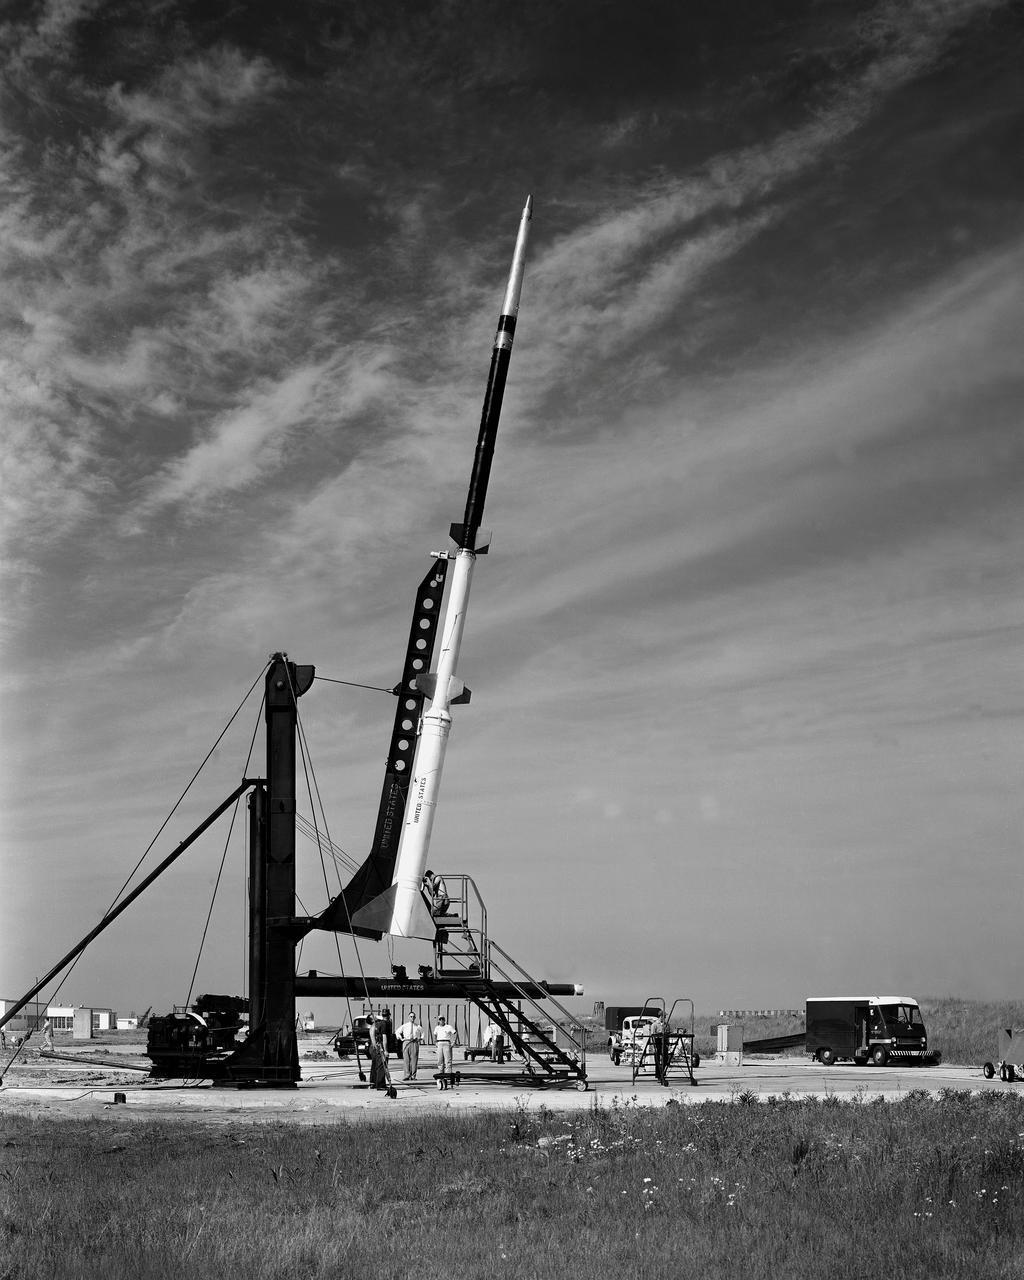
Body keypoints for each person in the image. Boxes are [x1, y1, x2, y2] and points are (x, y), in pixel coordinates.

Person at [397, 1012, 424, 1080]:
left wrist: (420, 1038)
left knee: (414, 1060)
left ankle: (413, 1075)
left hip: (414, 1042)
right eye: (411, 1016)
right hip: (407, 1042)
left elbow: (423, 1032)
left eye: (413, 1017)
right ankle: (406, 1075)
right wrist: (401, 1038)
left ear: (415, 1018)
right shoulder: (405, 1025)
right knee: (406, 1060)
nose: (412, 1018)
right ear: (408, 1017)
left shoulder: (417, 1026)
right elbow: (397, 1032)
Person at [365, 1014, 388, 1090]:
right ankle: (380, 1084)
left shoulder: (373, 1026)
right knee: (381, 1065)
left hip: (373, 1048)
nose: (375, 1016)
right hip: (377, 1047)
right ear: (372, 1020)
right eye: (372, 1016)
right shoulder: (375, 1026)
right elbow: (374, 1038)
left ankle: (373, 1082)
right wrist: (384, 1050)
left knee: (375, 1065)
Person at [434, 1013, 458, 1077]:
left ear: (445, 1020)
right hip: (439, 1043)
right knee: (440, 1059)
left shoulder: (448, 1027)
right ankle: (441, 1073)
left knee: (448, 1059)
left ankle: (448, 1074)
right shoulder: (437, 1028)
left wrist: (453, 1042)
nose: (441, 1020)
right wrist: (435, 1042)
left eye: (443, 1019)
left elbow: (455, 1033)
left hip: (446, 1043)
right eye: (440, 1019)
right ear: (438, 1020)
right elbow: (435, 1035)